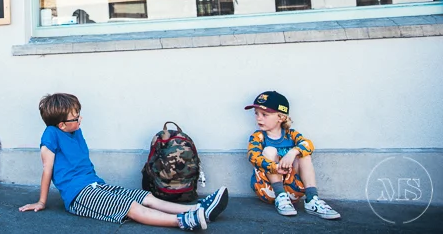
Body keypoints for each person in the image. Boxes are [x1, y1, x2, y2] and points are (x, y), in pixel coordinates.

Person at [19, 93, 229, 230]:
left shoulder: (75, 131)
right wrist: (41, 202)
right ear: (62, 125)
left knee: (144, 196)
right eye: (75, 117)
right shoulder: (51, 135)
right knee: (131, 207)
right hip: (78, 195)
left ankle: (196, 209)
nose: (80, 119)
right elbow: (47, 169)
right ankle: (183, 222)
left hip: (95, 184)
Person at [245, 90, 340, 220]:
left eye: (264, 114)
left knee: (303, 153)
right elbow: (253, 156)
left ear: (281, 117)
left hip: (293, 190)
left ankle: (312, 199)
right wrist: (274, 167)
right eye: (256, 114)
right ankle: (281, 196)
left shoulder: (291, 135)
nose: (258, 118)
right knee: (270, 151)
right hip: (268, 189)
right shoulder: (258, 136)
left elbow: (309, 145)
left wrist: (292, 152)